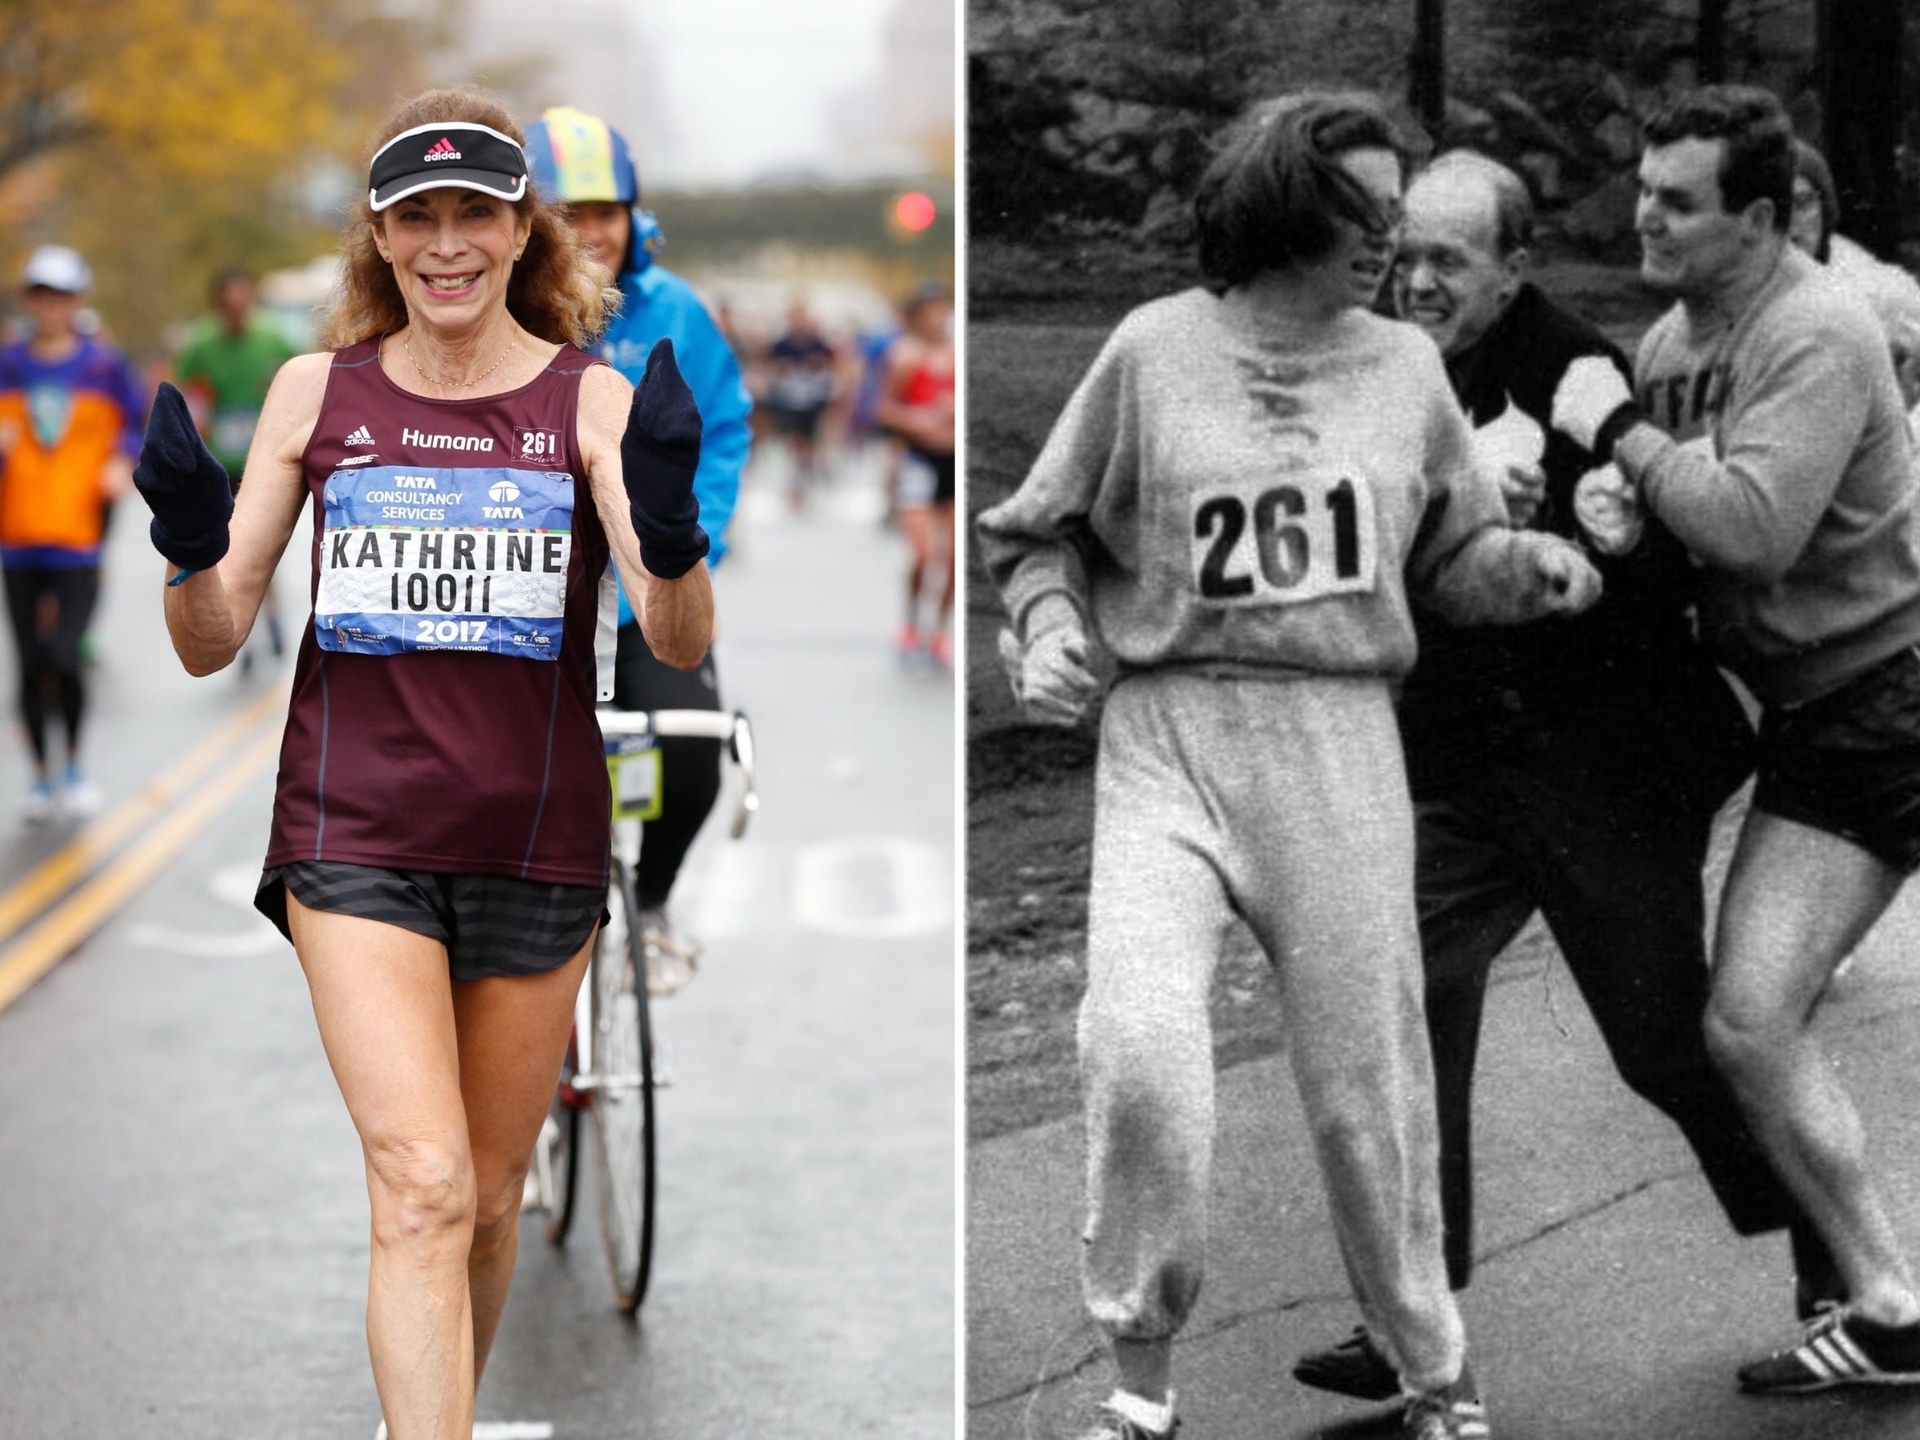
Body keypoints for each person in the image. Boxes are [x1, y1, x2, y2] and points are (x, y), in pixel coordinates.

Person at [978, 91, 1605, 1440]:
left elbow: (1451, 561)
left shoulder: (1402, 371)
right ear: (1280, 203)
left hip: (1335, 740)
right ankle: (1139, 1388)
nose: (1388, 236)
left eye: (1399, 211)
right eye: (1361, 210)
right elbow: (1035, 535)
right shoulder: (1154, 352)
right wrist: (1042, 632)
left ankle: (1437, 1375)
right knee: (1138, 1045)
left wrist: (1530, 569)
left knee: (1367, 1084)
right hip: (1171, 736)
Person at [126, 88, 714, 1439]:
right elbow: (213, 642)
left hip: (536, 838)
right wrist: (185, 546)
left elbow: (672, 630)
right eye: (417, 217)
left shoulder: (595, 401)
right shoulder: (313, 394)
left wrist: (673, 539)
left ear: (523, 234)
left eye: (475, 215)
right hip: (356, 833)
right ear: (381, 240)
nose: (447, 243)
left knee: (490, 1202)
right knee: (422, 1181)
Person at [1292, 147, 1840, 1404]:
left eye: (1448, 260)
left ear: (1513, 268)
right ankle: (1408, 1321)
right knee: (1407, 996)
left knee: (1662, 1040)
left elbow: (1656, 589)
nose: (1415, 281)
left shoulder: (1576, 370)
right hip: (1461, 767)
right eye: (1402, 254)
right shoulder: (1381, 364)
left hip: (1603, 768)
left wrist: (1533, 533)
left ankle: (1839, 1258)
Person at [1556, 83, 1920, 1393]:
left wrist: (1617, 436)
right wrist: (1605, 515)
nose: (1645, 214)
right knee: (1752, 1020)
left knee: (1754, 1018)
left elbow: (1756, 525)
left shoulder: (1817, 328)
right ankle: (1882, 1302)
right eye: (1644, 188)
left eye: (1680, 198)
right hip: (1807, 714)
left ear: (1759, 217)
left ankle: (1881, 1294)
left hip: (1886, 694)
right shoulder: (1663, 345)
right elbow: (1679, 527)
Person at [523, 103, 753, 991]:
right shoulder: (499, 315)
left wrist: (698, 537)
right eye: (567, 215)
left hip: (646, 587)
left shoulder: (676, 312)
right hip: (532, 595)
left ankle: (652, 904)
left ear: (635, 219)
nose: (590, 233)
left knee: (691, 745)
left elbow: (725, 427)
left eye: (606, 214)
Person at [0, 244, 144, 821]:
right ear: (27, 300)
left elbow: (136, 425)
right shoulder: (9, 363)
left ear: (78, 300)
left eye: (60, 294)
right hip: (16, 538)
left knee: (65, 654)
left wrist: (121, 461)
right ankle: (40, 776)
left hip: (79, 537)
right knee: (31, 662)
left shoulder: (103, 366)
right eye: (40, 294)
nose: (50, 305)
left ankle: (77, 764)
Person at [173, 266, 299, 670]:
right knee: (227, 552)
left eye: (243, 301)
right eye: (229, 303)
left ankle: (272, 618)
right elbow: (190, 401)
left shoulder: (273, 339)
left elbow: (296, 390)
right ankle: (237, 633)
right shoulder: (201, 344)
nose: (237, 310)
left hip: (264, 459)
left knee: (261, 546)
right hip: (218, 464)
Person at [1789, 139, 1920, 413]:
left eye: (1801, 203)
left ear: (1824, 208)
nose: (1790, 223)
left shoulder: (1875, 288)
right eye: (1775, 208)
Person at [875, 281, 955, 666]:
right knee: (923, 555)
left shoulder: (958, 353)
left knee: (954, 559)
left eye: (940, 310)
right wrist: (918, 420)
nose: (935, 319)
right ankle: (910, 621)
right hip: (920, 460)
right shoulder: (904, 356)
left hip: (953, 460)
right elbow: (885, 410)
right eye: (927, 312)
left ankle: (939, 629)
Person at [764, 299, 839, 508]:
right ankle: (795, 480)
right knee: (793, 439)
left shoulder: (818, 342)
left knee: (809, 440)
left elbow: (834, 365)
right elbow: (769, 367)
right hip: (789, 398)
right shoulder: (781, 344)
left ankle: (805, 475)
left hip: (812, 397)